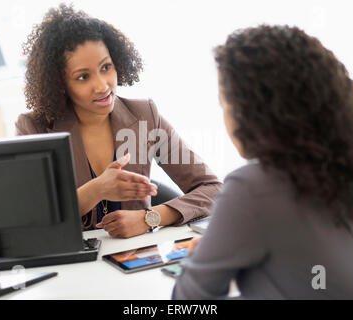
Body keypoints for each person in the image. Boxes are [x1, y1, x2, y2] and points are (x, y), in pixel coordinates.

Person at [172, 25, 353, 299]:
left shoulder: (253, 186)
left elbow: (188, 299)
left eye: (224, 104)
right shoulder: (344, 170)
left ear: (251, 109)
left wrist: (201, 261)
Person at [15, 4, 221, 238]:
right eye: (83, 77)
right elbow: (32, 219)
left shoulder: (144, 116)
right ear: (59, 84)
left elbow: (213, 189)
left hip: (135, 258)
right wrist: (96, 190)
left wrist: (150, 217)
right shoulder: (34, 128)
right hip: (72, 266)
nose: (102, 86)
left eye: (106, 67)